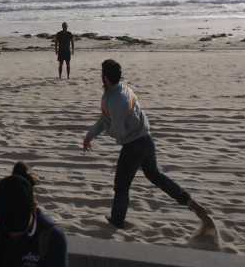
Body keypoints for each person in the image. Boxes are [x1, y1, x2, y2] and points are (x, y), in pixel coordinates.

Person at [82, 59, 212, 230]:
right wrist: (90, 135)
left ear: (105, 78)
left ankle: (116, 221)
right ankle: (187, 200)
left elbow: (118, 131)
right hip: (146, 139)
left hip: (133, 146)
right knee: (154, 175)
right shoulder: (124, 88)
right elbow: (106, 117)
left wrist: (107, 129)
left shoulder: (115, 100)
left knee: (121, 185)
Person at [0, 162, 68, 267]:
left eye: (19, 229)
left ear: (33, 208)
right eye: (8, 229)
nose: (13, 235)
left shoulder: (52, 237)